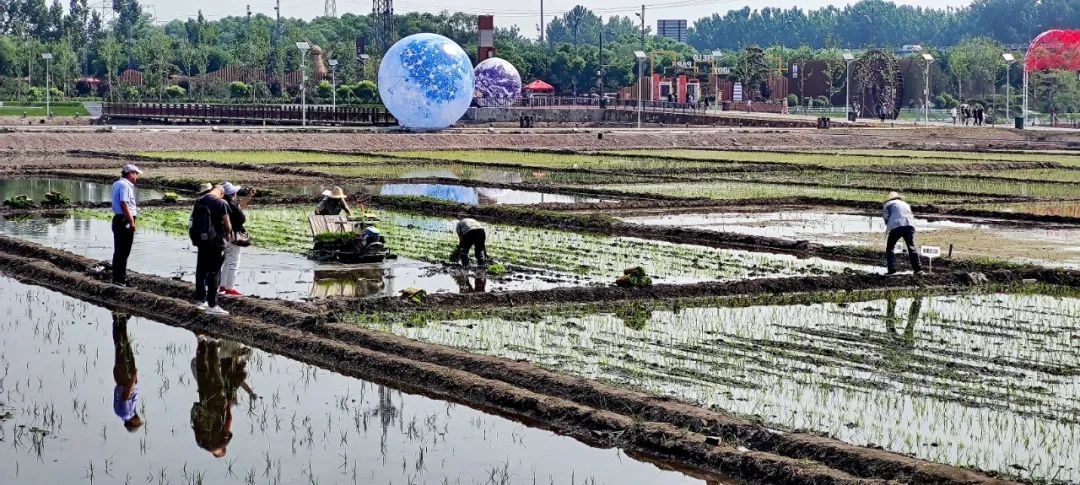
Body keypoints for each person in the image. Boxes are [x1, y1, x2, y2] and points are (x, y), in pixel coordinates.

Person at [190, 336, 254, 458]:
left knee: (215, 372)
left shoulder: (222, 442)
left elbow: (228, 419)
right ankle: (203, 341)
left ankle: (212, 342)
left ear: (223, 449)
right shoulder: (201, 442)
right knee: (202, 369)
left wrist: (228, 403)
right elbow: (195, 422)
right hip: (204, 399)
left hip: (218, 401)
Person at [189, 184, 233, 315]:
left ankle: (200, 300)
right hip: (216, 242)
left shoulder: (199, 200)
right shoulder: (221, 203)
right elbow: (227, 224)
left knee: (201, 270)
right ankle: (213, 305)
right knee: (214, 272)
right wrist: (228, 234)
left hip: (201, 241)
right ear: (221, 193)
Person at [219, 182, 254, 297]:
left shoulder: (221, 202)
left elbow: (239, 207)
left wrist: (248, 198)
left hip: (223, 235)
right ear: (232, 193)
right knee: (233, 261)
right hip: (232, 235)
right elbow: (241, 218)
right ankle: (230, 288)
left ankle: (223, 286)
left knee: (226, 260)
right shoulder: (231, 203)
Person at [110, 164, 142, 287]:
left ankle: (118, 277)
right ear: (130, 173)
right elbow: (124, 204)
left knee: (119, 250)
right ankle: (120, 279)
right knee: (124, 251)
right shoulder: (125, 185)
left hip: (119, 219)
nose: (137, 176)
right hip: (125, 220)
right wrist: (131, 222)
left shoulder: (117, 183)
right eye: (136, 173)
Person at [112, 312, 143, 432]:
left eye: (138, 422)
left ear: (132, 423)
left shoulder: (127, 413)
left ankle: (119, 321)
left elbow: (126, 396)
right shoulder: (121, 414)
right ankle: (120, 321)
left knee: (123, 348)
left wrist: (133, 378)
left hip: (125, 378)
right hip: (121, 378)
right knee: (120, 347)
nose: (139, 420)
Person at [883, 191, 923, 275]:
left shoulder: (888, 204)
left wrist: (889, 226)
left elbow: (886, 218)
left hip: (897, 225)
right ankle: (918, 269)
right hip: (910, 225)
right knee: (911, 246)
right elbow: (910, 215)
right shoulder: (905, 204)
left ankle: (892, 269)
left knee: (890, 247)